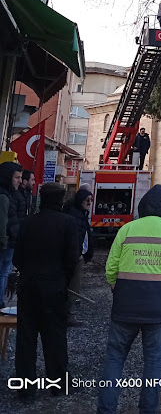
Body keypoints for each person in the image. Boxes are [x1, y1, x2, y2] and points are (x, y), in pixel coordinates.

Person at [97, 185, 161, 414]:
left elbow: (111, 266)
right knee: (154, 361)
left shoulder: (127, 229)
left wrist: (116, 287)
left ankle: (106, 409)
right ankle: (149, 409)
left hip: (125, 304)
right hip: (159, 308)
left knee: (115, 358)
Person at [13, 183, 79, 399]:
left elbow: (17, 258)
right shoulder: (67, 223)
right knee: (55, 337)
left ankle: (25, 389)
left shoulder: (27, 223)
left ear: (42, 198)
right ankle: (58, 384)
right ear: (60, 199)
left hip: (28, 286)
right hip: (54, 286)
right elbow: (72, 259)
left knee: (26, 338)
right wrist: (63, 280)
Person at [66, 189, 94, 327]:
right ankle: (67, 314)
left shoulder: (81, 214)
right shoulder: (76, 216)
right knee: (73, 285)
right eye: (87, 200)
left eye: (91, 200)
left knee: (73, 285)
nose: (89, 203)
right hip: (74, 257)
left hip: (77, 255)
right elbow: (75, 237)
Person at [0, 161, 23, 309]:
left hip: (9, 241)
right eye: (17, 177)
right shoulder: (4, 196)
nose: (20, 181)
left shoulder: (10, 194)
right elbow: (3, 222)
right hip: (5, 243)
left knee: (5, 272)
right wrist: (3, 241)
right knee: (3, 273)